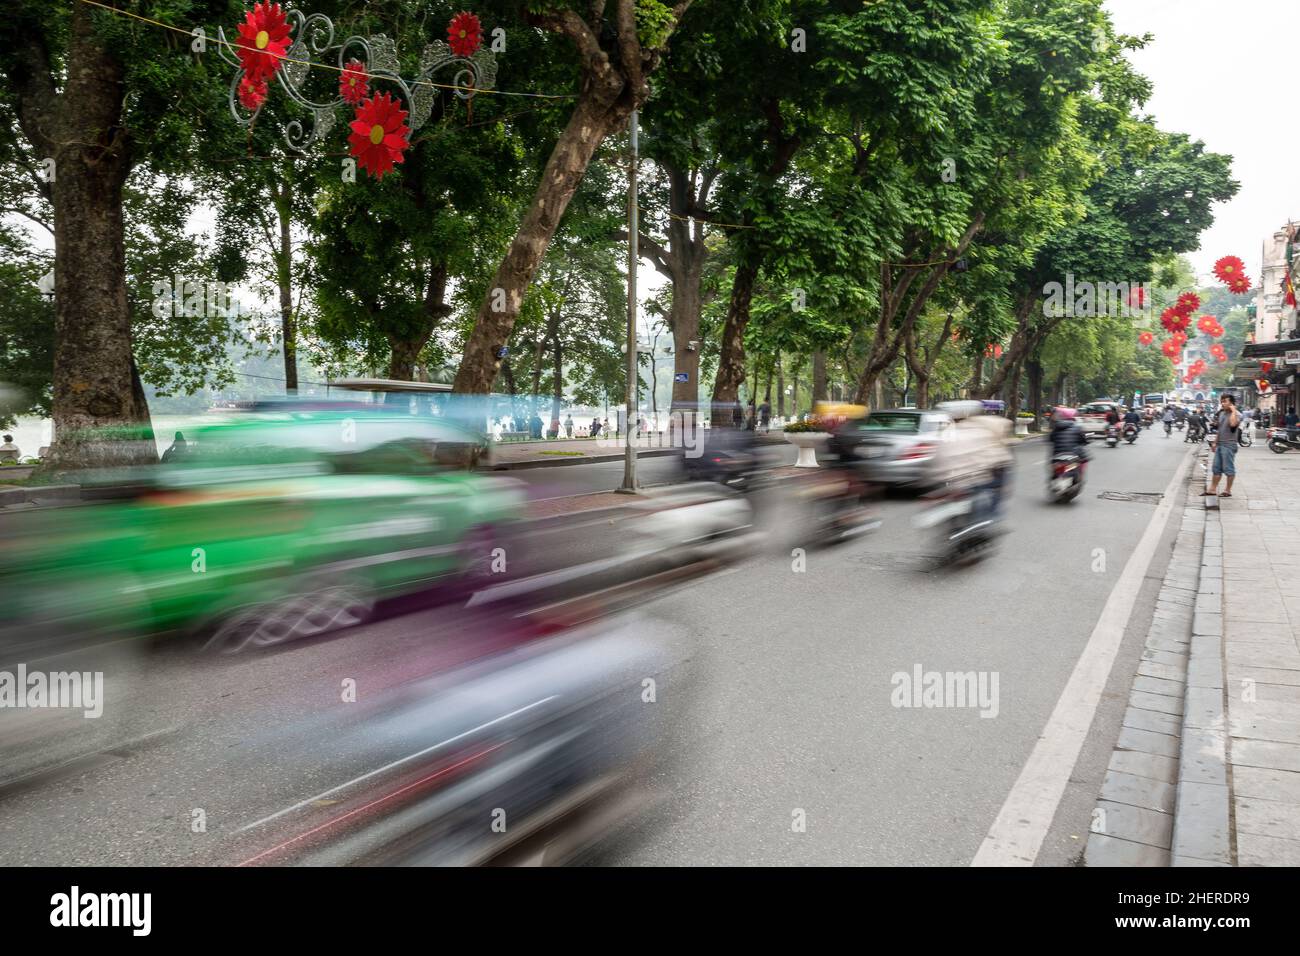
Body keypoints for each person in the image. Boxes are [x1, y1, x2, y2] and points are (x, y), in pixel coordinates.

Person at [1204, 394, 1241, 498]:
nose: (1222, 403)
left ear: (1231, 403)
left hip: (1229, 445)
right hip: (1220, 444)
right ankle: (1212, 489)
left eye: (1225, 401)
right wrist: (1215, 442)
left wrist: (1233, 411)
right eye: (1222, 401)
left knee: (1228, 469)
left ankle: (1228, 490)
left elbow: (1233, 424)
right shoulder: (1222, 414)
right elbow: (1220, 430)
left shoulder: (1237, 414)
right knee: (1216, 468)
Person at [1049, 406, 1090, 474]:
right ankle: (1078, 479)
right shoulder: (1077, 427)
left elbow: (1050, 439)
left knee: (1054, 468)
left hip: (1057, 456)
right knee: (1081, 461)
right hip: (1072, 456)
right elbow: (1083, 440)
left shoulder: (1056, 427)